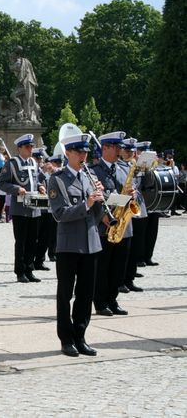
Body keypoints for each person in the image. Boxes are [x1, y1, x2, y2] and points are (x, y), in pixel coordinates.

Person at [47, 133, 104, 357]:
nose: (83, 156)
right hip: (69, 245)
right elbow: (60, 214)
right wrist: (87, 203)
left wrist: (100, 201)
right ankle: (66, 338)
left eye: (85, 153)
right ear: (68, 153)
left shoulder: (89, 177)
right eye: (79, 152)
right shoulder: (57, 179)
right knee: (65, 294)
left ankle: (80, 335)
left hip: (91, 243)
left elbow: (96, 215)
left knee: (85, 293)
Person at [90, 131, 134, 317]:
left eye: (119, 148)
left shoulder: (124, 168)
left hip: (123, 225)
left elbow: (133, 191)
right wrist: (102, 217)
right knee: (103, 267)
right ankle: (100, 302)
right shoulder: (94, 171)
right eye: (116, 147)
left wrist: (133, 195)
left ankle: (113, 299)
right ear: (105, 148)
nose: (119, 151)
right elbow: (93, 197)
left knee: (118, 267)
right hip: (105, 225)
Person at [0, 134, 46, 283]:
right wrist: (16, 188)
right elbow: (2, 183)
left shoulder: (33, 162)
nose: (30, 149)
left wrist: (41, 186)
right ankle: (20, 271)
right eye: (27, 147)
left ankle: (29, 269)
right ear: (19, 148)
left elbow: (36, 179)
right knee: (21, 241)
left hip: (34, 207)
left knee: (33, 240)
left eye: (31, 146)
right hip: (20, 208)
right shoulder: (12, 163)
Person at [120, 138, 145, 293]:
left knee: (135, 246)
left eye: (132, 151)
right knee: (124, 251)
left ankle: (130, 278)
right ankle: (121, 280)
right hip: (124, 209)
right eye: (128, 151)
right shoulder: (120, 167)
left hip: (136, 208)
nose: (131, 153)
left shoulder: (135, 166)